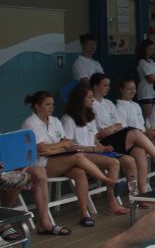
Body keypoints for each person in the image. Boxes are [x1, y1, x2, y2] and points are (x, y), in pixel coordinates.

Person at [22, 91, 123, 227]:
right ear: (37, 106)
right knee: (77, 157)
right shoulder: (30, 123)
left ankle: (85, 214)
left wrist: (54, 148)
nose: (51, 107)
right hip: (40, 165)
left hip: (59, 159)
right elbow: (41, 149)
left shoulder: (55, 121)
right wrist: (59, 146)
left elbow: (66, 145)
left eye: (52, 104)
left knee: (79, 173)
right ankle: (109, 181)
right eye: (48, 104)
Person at [62, 84, 135, 213]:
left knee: (129, 160)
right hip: (81, 154)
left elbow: (94, 138)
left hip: (94, 152)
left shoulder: (89, 116)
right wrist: (95, 149)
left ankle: (134, 197)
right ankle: (112, 203)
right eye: (89, 97)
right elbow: (69, 146)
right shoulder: (68, 119)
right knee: (114, 163)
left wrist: (103, 147)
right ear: (80, 99)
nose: (92, 100)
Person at [90, 73, 155, 184]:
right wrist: (113, 128)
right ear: (95, 86)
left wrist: (112, 128)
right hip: (104, 143)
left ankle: (140, 193)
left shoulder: (109, 103)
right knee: (134, 132)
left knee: (140, 151)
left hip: (116, 138)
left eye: (109, 85)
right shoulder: (90, 105)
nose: (108, 88)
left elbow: (119, 126)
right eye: (105, 85)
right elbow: (99, 134)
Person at [0, 161, 63, 238]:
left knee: (39, 174)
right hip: (6, 167)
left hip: (20, 164)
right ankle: (4, 219)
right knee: (18, 178)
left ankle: (45, 223)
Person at [135, 39, 155, 119]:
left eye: (153, 49)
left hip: (154, 91)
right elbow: (151, 78)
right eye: (150, 48)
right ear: (144, 49)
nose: (152, 51)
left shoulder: (153, 61)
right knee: (147, 118)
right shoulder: (142, 62)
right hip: (146, 92)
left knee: (154, 117)